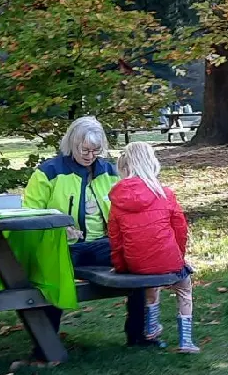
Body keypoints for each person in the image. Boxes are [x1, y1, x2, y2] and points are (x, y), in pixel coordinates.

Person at [23, 117, 149, 347]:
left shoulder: (110, 172)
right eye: (85, 150)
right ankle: (46, 346)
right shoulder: (48, 172)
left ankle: (138, 336)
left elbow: (127, 209)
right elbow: (29, 215)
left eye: (96, 150)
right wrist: (58, 225)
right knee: (54, 274)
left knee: (137, 260)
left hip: (102, 243)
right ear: (72, 143)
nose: (90, 156)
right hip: (61, 246)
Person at [108, 143, 197, 354]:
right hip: (168, 260)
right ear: (152, 163)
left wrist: (121, 266)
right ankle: (186, 341)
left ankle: (151, 328)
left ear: (124, 167)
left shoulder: (117, 199)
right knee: (184, 287)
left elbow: (116, 238)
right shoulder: (165, 193)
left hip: (136, 264)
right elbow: (180, 230)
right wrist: (179, 257)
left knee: (150, 282)